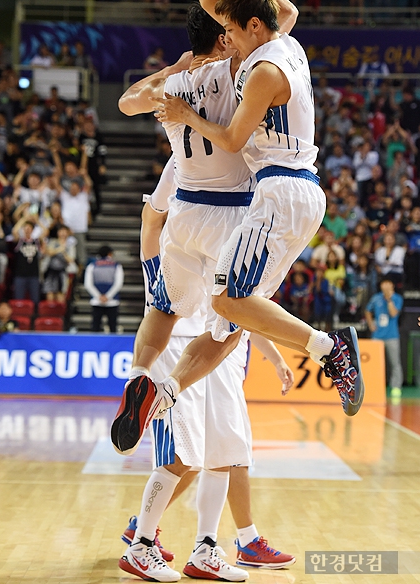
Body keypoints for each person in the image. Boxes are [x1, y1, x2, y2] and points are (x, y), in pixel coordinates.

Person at [112, 0, 364, 460]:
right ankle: (169, 392)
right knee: (230, 317)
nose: (223, 27)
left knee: (190, 308)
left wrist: (173, 94)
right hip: (257, 199)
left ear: (249, 27)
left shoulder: (246, 71)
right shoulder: (273, 47)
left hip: (230, 202)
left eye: (232, 22)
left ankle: (323, 348)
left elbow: (153, 112)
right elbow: (263, 10)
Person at [119, 163, 294, 581]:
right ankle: (141, 543)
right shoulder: (163, 261)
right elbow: (151, 219)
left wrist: (272, 356)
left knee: (224, 453)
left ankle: (206, 549)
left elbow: (242, 311)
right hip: (177, 358)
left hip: (215, 356)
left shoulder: (221, 254)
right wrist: (179, 167)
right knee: (183, 456)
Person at [365, 277, 403, 400]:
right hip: (377, 336)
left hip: (392, 336)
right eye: (383, 283)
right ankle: (373, 385)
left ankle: (396, 386)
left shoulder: (397, 298)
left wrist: (388, 299)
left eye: (388, 283)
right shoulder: (376, 298)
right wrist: (371, 324)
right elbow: (367, 310)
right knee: (373, 363)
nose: (385, 286)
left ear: (392, 285)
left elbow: (393, 313)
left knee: (395, 362)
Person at [84, 245, 123, 333]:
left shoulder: (92, 265)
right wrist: (108, 296)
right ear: (110, 254)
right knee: (113, 327)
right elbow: (118, 284)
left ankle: (94, 346)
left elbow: (88, 284)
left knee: (95, 327)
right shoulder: (116, 266)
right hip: (112, 301)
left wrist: (98, 296)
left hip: (97, 301)